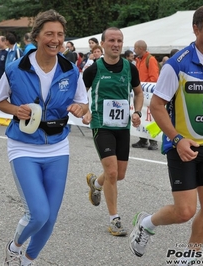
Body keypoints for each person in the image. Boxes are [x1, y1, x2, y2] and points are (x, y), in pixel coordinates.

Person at [129, 6, 203, 264]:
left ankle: (190, 256)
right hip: (183, 147)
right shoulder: (178, 64)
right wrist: (177, 140)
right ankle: (146, 224)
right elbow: (156, 106)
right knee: (185, 212)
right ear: (196, 29)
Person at [0, 9, 88, 266]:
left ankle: (28, 260)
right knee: (38, 214)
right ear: (36, 37)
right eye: (49, 34)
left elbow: (83, 105)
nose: (55, 39)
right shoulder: (16, 68)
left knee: (51, 219)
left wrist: (82, 110)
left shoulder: (70, 69)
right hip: (24, 146)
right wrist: (15, 109)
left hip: (57, 147)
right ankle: (14, 248)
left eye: (60, 34)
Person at [82, 27, 144, 236]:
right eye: (111, 40)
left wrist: (137, 111)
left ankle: (95, 183)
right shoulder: (93, 69)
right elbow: (80, 94)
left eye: (119, 40)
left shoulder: (130, 67)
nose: (116, 44)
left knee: (120, 174)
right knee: (112, 172)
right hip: (101, 124)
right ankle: (114, 220)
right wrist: (87, 111)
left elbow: (138, 93)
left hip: (122, 126)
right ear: (103, 43)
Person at [132, 40, 160, 150]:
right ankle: (143, 139)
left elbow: (154, 78)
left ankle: (153, 141)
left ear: (141, 48)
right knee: (140, 115)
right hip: (140, 92)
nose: (134, 50)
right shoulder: (138, 60)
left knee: (151, 117)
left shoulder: (150, 59)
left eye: (135, 48)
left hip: (148, 94)